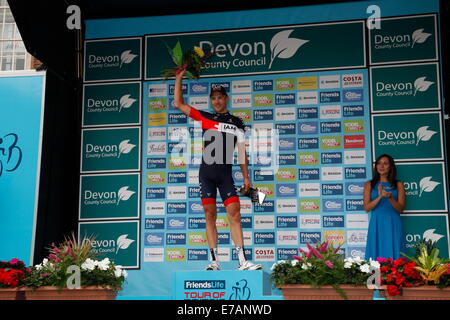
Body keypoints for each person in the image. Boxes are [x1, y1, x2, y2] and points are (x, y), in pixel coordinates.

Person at [173, 69, 262, 271]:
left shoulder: (237, 122)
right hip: (206, 175)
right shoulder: (205, 117)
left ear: (226, 98)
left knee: (235, 214)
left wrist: (247, 177)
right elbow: (178, 104)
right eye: (213, 98)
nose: (217, 101)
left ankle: (243, 261)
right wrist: (178, 77)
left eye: (220, 97)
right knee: (209, 215)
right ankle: (214, 262)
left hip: (225, 176)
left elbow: (241, 151)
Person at [364, 154, 406, 260]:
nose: (381, 166)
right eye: (379, 163)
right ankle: (377, 276)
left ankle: (396, 276)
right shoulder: (369, 184)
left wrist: (389, 197)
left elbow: (401, 208)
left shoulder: (399, 184)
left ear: (391, 167)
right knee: (376, 254)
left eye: (385, 163)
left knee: (395, 253)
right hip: (377, 222)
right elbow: (367, 208)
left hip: (393, 222)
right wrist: (380, 196)